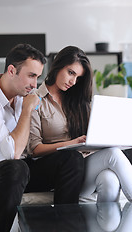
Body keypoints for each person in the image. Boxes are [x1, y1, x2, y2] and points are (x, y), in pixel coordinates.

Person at [0, 43, 85, 232]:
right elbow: (11, 153)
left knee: (71, 159)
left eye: (38, 77)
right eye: (31, 76)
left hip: (21, 170)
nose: (34, 84)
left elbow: (29, 150)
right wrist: (27, 110)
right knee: (16, 167)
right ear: (12, 70)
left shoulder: (24, 96)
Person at [28, 45, 132, 202]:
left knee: (109, 179)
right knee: (113, 155)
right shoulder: (36, 100)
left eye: (78, 78)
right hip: (60, 172)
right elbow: (34, 149)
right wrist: (71, 143)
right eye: (71, 73)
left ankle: (101, 227)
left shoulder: (79, 102)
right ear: (58, 65)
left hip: (85, 164)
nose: (73, 81)